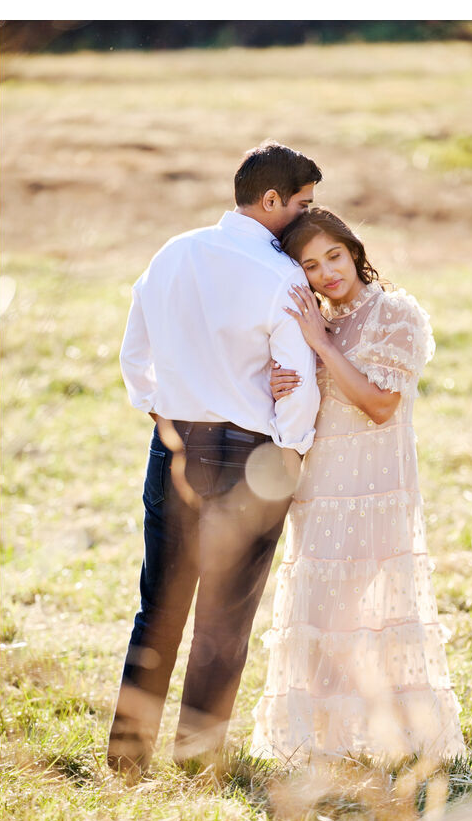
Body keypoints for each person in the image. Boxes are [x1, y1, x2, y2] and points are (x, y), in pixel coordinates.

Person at [108, 141, 322, 777]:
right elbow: (298, 380)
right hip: (252, 455)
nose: (309, 216)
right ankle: (197, 763)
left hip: (171, 444)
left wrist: (156, 406)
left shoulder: (174, 251)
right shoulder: (281, 276)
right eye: (303, 204)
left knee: (160, 603)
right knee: (224, 618)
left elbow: (133, 349)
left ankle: (126, 756)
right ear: (271, 200)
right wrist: (292, 447)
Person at [250, 208, 465, 763]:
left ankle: (389, 741)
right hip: (319, 490)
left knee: (358, 615)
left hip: (376, 492)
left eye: (334, 256)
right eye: (310, 265)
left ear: (355, 251)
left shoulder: (395, 314)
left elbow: (378, 405)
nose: (326, 273)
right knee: (319, 614)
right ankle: (325, 744)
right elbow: (308, 404)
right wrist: (279, 382)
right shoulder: (314, 320)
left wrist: (321, 345)